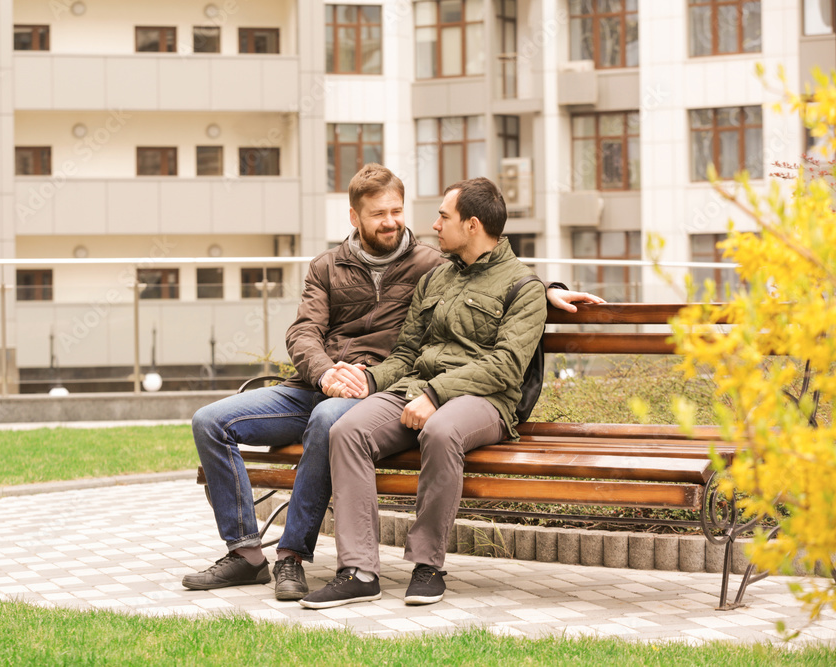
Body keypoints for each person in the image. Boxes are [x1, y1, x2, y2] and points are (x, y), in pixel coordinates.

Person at [185, 165, 601, 601]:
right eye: (379, 213)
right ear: (354, 218)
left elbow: (503, 282)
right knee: (217, 422)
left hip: (439, 393)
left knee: (348, 423)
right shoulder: (344, 268)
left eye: (398, 211)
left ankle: (307, 557)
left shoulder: (429, 261)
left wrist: (549, 288)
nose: (397, 221)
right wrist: (336, 374)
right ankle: (272, 558)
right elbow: (309, 334)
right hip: (336, 382)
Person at [300, 177, 548, 609]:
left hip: (486, 401)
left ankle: (427, 565)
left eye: (443, 217)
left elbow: (506, 366)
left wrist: (436, 394)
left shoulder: (523, 287)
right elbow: (407, 352)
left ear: (472, 225)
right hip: (416, 389)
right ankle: (359, 571)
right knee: (347, 430)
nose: (433, 226)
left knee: (440, 431)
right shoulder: (436, 279)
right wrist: (369, 381)